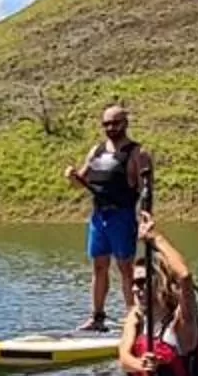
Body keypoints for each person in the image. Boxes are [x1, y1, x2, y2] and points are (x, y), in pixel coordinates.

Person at [88, 213, 198, 376]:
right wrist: (140, 364)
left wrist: (156, 239)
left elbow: (185, 277)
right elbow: (124, 358)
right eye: (134, 283)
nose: (136, 289)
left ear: (160, 283)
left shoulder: (181, 324)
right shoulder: (136, 317)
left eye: (143, 282)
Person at [63, 103, 152, 332]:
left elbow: (146, 190)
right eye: (106, 124)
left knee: (125, 268)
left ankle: (134, 318)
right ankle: (97, 317)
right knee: (99, 266)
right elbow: (80, 182)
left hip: (122, 217)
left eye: (115, 123)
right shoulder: (97, 150)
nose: (110, 128)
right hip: (99, 217)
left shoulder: (137, 153)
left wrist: (146, 218)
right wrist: (72, 177)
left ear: (125, 123)